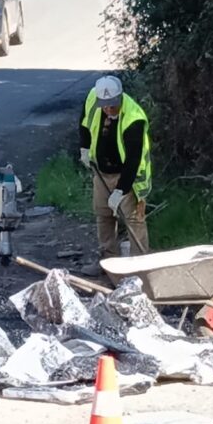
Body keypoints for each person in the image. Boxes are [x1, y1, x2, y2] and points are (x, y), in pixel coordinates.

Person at [78, 75, 152, 276]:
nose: (109, 109)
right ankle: (107, 263)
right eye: (105, 106)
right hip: (101, 171)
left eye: (112, 105)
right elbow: (84, 123)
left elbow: (133, 162)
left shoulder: (133, 119)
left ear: (120, 97)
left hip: (128, 176)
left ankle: (140, 268)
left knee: (134, 220)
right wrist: (84, 148)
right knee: (103, 216)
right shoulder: (94, 98)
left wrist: (120, 190)